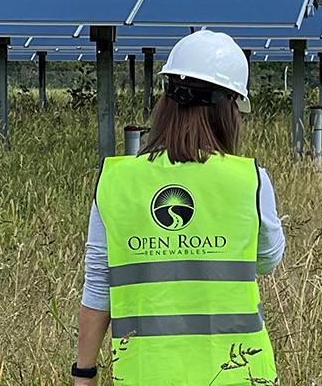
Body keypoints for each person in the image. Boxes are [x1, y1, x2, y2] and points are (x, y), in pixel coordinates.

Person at [73, 30, 285, 385]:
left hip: (147, 374)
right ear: (229, 108)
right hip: (239, 373)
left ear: (166, 101)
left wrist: (84, 374)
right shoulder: (250, 180)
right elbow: (268, 259)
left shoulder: (116, 182)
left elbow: (98, 285)